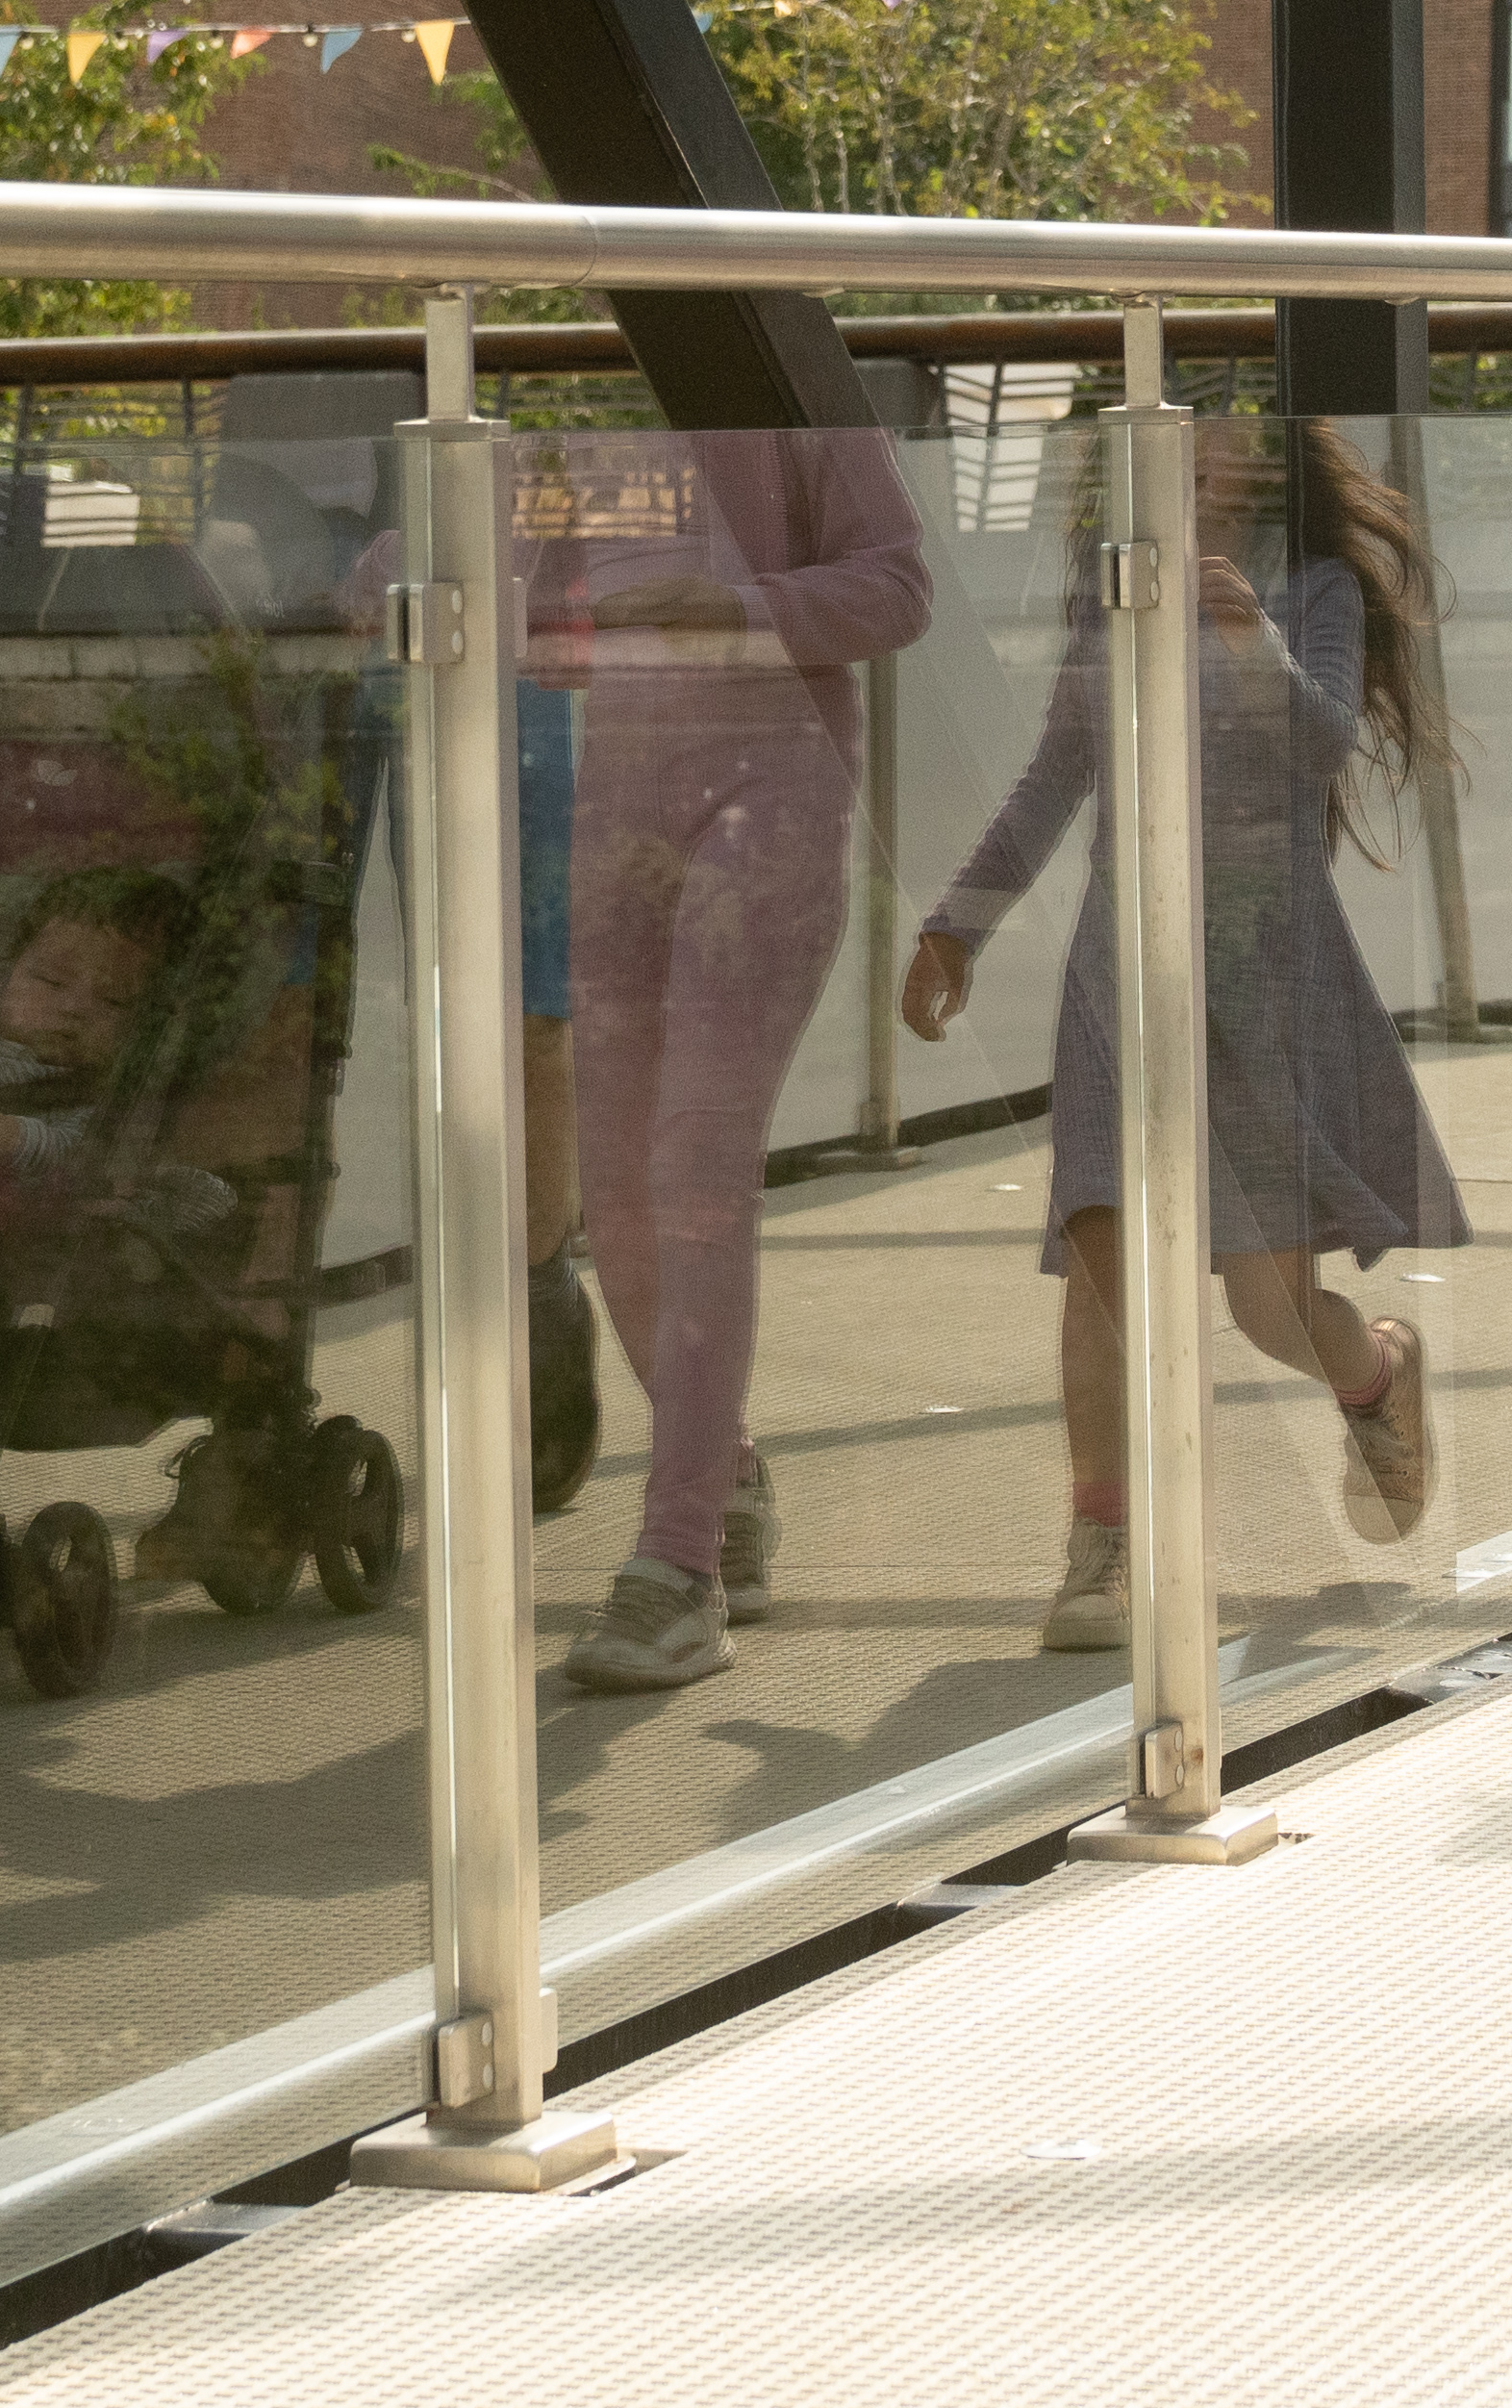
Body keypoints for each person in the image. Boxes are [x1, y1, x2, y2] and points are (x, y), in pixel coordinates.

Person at [897, 408, 1455, 1652]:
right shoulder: (1112, 597)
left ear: (1261, 463)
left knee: (1263, 1304)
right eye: (1168, 450)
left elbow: (1319, 744)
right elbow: (1059, 773)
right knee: (1100, 1247)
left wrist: (1248, 638)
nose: (1196, 470)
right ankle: (1104, 1541)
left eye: (1216, 448)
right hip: (1118, 961)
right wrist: (956, 929)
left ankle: (1377, 1373)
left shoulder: (1308, 587)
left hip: (1261, 961)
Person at [530, 419, 935, 1700]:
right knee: (620, 1197)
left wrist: (737, 607)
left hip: (775, 794)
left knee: (701, 1158)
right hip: (619, 802)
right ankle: (727, 1481)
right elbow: (548, 634)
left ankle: (679, 1558)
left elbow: (901, 585)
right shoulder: (580, 399)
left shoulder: (784, 382)